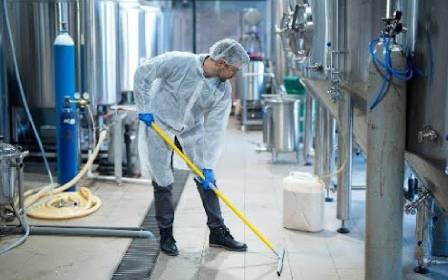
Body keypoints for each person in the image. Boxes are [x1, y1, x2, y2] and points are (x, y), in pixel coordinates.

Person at [134, 38, 250, 256]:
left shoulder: (223, 90)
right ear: (222, 63)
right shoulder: (179, 61)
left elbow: (215, 129)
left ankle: (217, 232)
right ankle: (166, 234)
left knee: (207, 179)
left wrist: (208, 164)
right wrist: (144, 107)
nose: (235, 75)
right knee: (162, 179)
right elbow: (144, 72)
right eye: (234, 69)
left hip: (190, 129)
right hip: (159, 122)